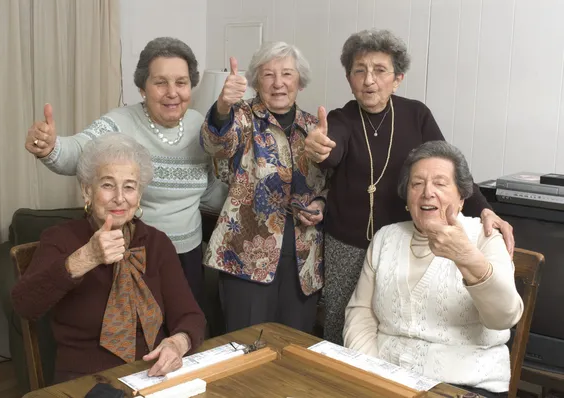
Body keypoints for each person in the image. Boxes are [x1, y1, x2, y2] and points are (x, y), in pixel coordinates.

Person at [303, 29, 515, 345]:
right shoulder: (342, 118)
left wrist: (483, 209)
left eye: (379, 70)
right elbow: (331, 150)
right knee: (343, 321)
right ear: (349, 78)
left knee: (398, 322)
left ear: (398, 78)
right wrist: (320, 148)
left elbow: (449, 168)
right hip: (347, 245)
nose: (368, 80)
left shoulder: (416, 115)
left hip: (399, 243)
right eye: (359, 71)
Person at [24, 37, 228, 308]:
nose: (172, 92)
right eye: (160, 82)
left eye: (181, 82)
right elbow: (77, 153)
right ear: (142, 88)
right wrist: (50, 147)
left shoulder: (200, 125)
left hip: (188, 256)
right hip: (137, 252)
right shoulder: (120, 122)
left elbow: (209, 190)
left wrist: (249, 197)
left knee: (188, 333)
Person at [12, 134, 205, 383]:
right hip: (87, 379)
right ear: (87, 191)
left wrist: (177, 344)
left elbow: (191, 316)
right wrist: (85, 257)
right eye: (107, 184)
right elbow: (24, 305)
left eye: (129, 186)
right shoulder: (60, 238)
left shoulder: (157, 243)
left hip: (155, 375)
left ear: (139, 194)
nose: (119, 197)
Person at [343, 141, 522, 398]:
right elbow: (361, 313)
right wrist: (371, 373)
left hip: (464, 387)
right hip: (388, 380)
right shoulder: (386, 238)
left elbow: (504, 317)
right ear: (407, 196)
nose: (427, 192)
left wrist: (467, 258)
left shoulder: (484, 237)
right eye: (417, 184)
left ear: (461, 197)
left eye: (440, 183)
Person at [200, 42, 328, 333]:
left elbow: (326, 186)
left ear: (300, 81)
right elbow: (215, 143)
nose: (278, 83)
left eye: (287, 74)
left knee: (295, 351)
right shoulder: (242, 118)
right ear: (257, 81)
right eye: (269, 75)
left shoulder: (312, 127)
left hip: (302, 265)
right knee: (246, 350)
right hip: (244, 262)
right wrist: (222, 106)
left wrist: (320, 204)